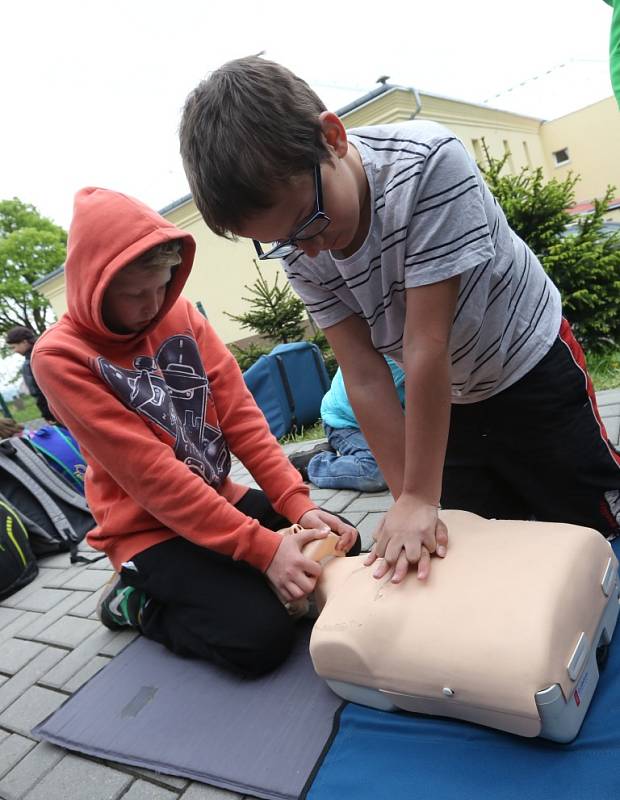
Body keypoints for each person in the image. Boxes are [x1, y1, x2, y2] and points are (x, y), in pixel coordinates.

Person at [178, 56, 620, 587]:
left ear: (333, 138)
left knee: (588, 523)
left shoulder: (428, 164)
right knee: (471, 537)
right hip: (447, 399)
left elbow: (425, 343)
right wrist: (405, 498)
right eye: (284, 243)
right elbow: (363, 373)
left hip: (526, 365)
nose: (309, 250)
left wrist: (418, 495)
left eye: (309, 223)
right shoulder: (299, 242)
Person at [31, 187, 359, 677]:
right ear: (93, 286)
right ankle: (134, 601)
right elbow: (152, 476)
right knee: (259, 640)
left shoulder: (179, 313)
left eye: (163, 285)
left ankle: (241, 564)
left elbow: (242, 418)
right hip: (146, 530)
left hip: (213, 500)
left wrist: (298, 505)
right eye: (135, 294)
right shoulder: (60, 357)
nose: (153, 304)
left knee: (345, 546)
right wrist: (263, 550)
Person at [290, 358, 405, 492]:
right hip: (344, 423)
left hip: (382, 421)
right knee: (377, 473)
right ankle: (312, 463)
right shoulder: (394, 352)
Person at [5, 326, 56, 422]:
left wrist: (48, 416)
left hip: (54, 412)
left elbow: (38, 392)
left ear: (24, 342)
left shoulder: (30, 363)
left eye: (14, 347)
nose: (14, 351)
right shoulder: (49, 350)